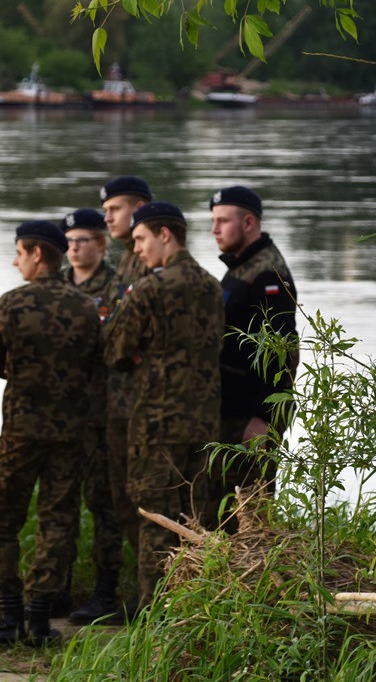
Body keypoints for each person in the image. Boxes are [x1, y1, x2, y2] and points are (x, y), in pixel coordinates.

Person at [0, 220, 102, 645]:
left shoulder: (13, 303)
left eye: (19, 252)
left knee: (0, 520)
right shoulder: (86, 306)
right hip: (71, 432)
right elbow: (95, 365)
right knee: (58, 521)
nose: (15, 261)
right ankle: (38, 619)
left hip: (20, 431)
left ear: (37, 254)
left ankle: (8, 614)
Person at [102, 201, 224, 611]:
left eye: (140, 238)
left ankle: (153, 622)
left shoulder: (151, 288)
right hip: (205, 425)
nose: (135, 248)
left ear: (164, 235)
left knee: (154, 521)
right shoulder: (212, 285)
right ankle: (197, 614)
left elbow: (115, 350)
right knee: (197, 522)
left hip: (155, 426)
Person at [208, 186, 299, 522]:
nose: (214, 229)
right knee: (224, 511)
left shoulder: (267, 273)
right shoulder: (241, 267)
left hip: (249, 416)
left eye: (222, 221)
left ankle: (255, 574)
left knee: (249, 513)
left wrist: (263, 417)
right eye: (213, 221)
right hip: (231, 409)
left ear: (248, 222)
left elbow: (282, 349)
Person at [59, 209, 123, 624]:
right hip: (60, 415)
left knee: (104, 504)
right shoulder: (56, 285)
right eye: (70, 240)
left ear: (102, 243)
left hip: (102, 414)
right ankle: (55, 589)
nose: (75, 247)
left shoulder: (118, 286)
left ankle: (105, 591)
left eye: (83, 239)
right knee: (59, 502)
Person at [98, 175, 152, 618]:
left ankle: (151, 599)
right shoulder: (127, 263)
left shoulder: (149, 263)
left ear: (138, 209)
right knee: (124, 500)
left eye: (114, 209)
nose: (107, 217)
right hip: (119, 403)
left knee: (144, 501)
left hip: (141, 406)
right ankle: (138, 595)